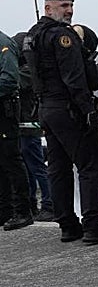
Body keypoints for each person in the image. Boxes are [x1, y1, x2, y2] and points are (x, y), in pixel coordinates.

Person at [25, 0, 98, 244]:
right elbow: (74, 79)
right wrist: (88, 110)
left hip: (47, 109)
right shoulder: (62, 35)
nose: (69, 11)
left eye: (71, 5)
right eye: (63, 5)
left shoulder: (34, 35)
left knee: (58, 169)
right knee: (90, 165)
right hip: (67, 108)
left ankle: (68, 225)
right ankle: (93, 225)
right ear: (48, 8)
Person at [10, 31, 53, 220]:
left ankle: (49, 203)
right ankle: (31, 204)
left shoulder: (27, 70)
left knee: (37, 167)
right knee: (28, 168)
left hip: (30, 127)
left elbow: (16, 81)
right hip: (21, 126)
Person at [0, 29, 34, 231]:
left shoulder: (3, 43)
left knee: (11, 160)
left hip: (5, 111)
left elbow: (10, 78)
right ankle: (4, 211)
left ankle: (22, 210)